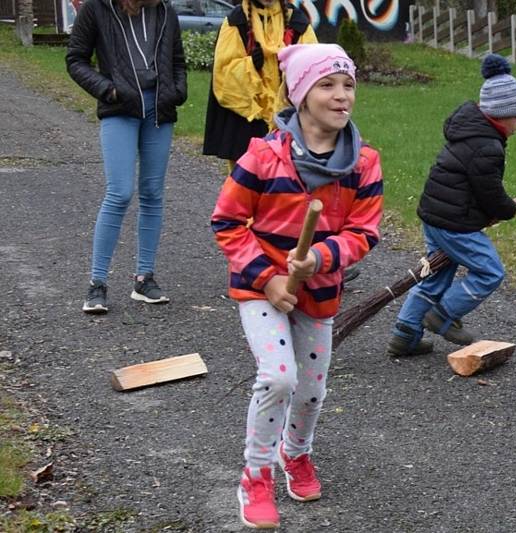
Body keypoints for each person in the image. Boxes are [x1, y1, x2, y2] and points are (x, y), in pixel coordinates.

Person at [211, 44, 382, 529]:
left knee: (310, 392)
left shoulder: (364, 163)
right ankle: (256, 475)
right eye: (327, 85)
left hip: (320, 291)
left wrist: (320, 259)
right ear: (301, 94)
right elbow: (227, 220)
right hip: (260, 288)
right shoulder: (264, 156)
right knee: (279, 377)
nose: (341, 95)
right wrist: (268, 280)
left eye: (348, 84)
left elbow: (364, 231)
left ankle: (296, 452)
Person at [386, 53, 516, 357]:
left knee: (435, 275)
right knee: (490, 271)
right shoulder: (486, 146)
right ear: (501, 114)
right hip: (454, 223)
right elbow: (488, 192)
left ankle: (405, 334)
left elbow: (472, 188)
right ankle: (444, 314)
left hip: (435, 215)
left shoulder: (470, 130)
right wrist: (507, 209)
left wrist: (495, 208)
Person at [66, 0, 187, 314]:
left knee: (152, 193)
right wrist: (109, 91)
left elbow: (177, 60)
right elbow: (76, 60)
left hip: (159, 110)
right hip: (119, 108)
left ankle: (144, 279)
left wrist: (178, 90)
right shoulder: (96, 9)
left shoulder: (164, 10)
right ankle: (97, 284)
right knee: (119, 191)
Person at [202, 0, 316, 171]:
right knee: (244, 181)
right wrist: (250, 66)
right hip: (247, 117)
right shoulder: (237, 20)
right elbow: (223, 72)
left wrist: (290, 67)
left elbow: (313, 66)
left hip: (287, 118)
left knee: (285, 181)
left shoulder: (297, 22)